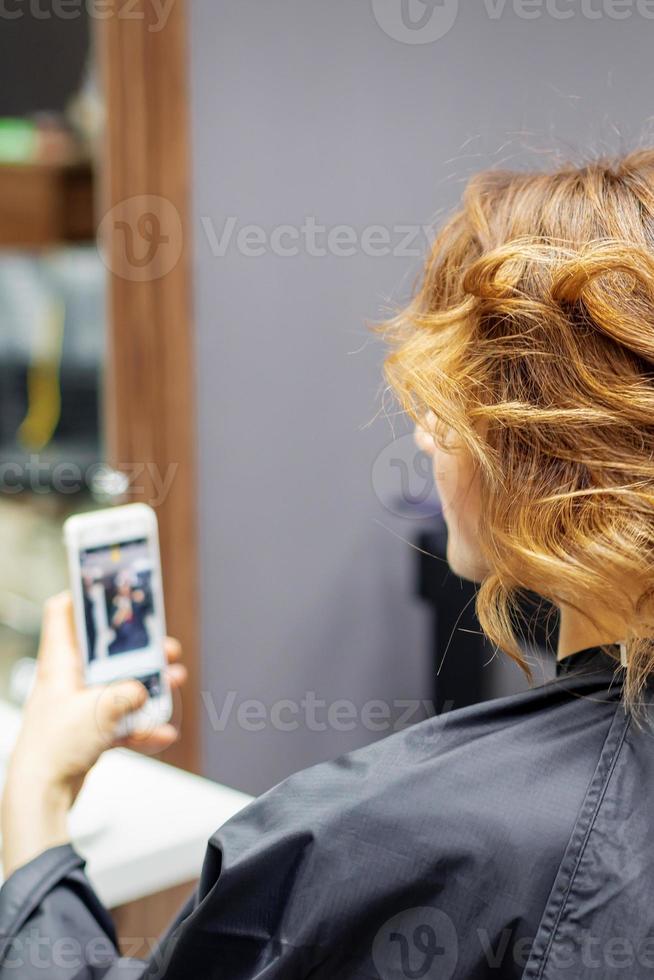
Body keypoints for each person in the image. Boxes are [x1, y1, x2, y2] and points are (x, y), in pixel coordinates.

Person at [2, 149, 654, 979]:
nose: (424, 435)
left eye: (449, 409)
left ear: (543, 456)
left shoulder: (391, 834)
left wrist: (34, 795)